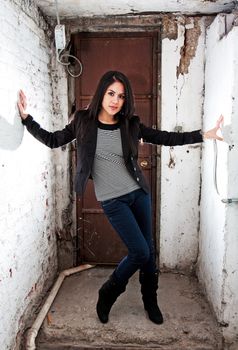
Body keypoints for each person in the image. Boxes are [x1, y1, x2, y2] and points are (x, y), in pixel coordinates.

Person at [18, 71, 223, 325]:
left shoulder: (130, 124)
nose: (115, 100)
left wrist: (203, 135)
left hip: (138, 194)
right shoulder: (83, 121)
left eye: (121, 96)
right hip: (113, 200)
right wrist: (27, 120)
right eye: (111, 93)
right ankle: (108, 292)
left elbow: (163, 137)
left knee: (149, 252)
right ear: (101, 93)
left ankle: (150, 300)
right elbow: (53, 139)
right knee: (139, 251)